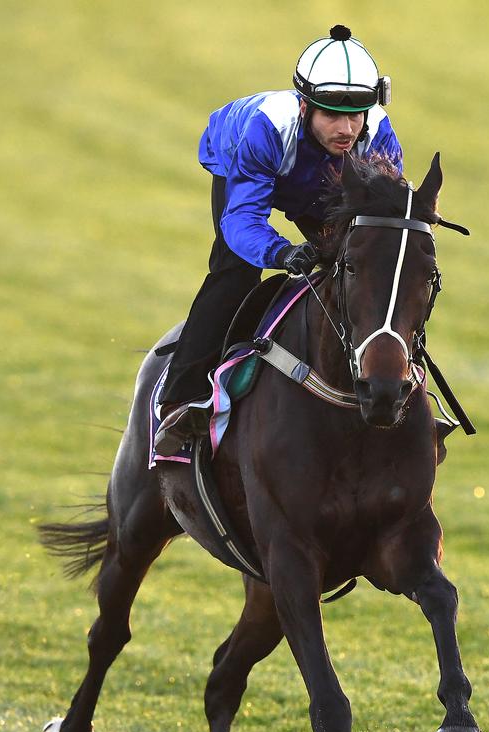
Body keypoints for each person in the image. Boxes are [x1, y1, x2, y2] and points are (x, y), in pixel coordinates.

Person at [154, 24, 403, 457]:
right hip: (249, 162)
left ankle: (396, 385)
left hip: (324, 180)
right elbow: (243, 221)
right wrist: (282, 252)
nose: (346, 129)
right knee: (236, 271)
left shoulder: (378, 137)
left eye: (355, 115)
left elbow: (383, 227)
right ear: (305, 107)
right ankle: (179, 402)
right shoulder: (265, 129)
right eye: (331, 115)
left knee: (367, 272)